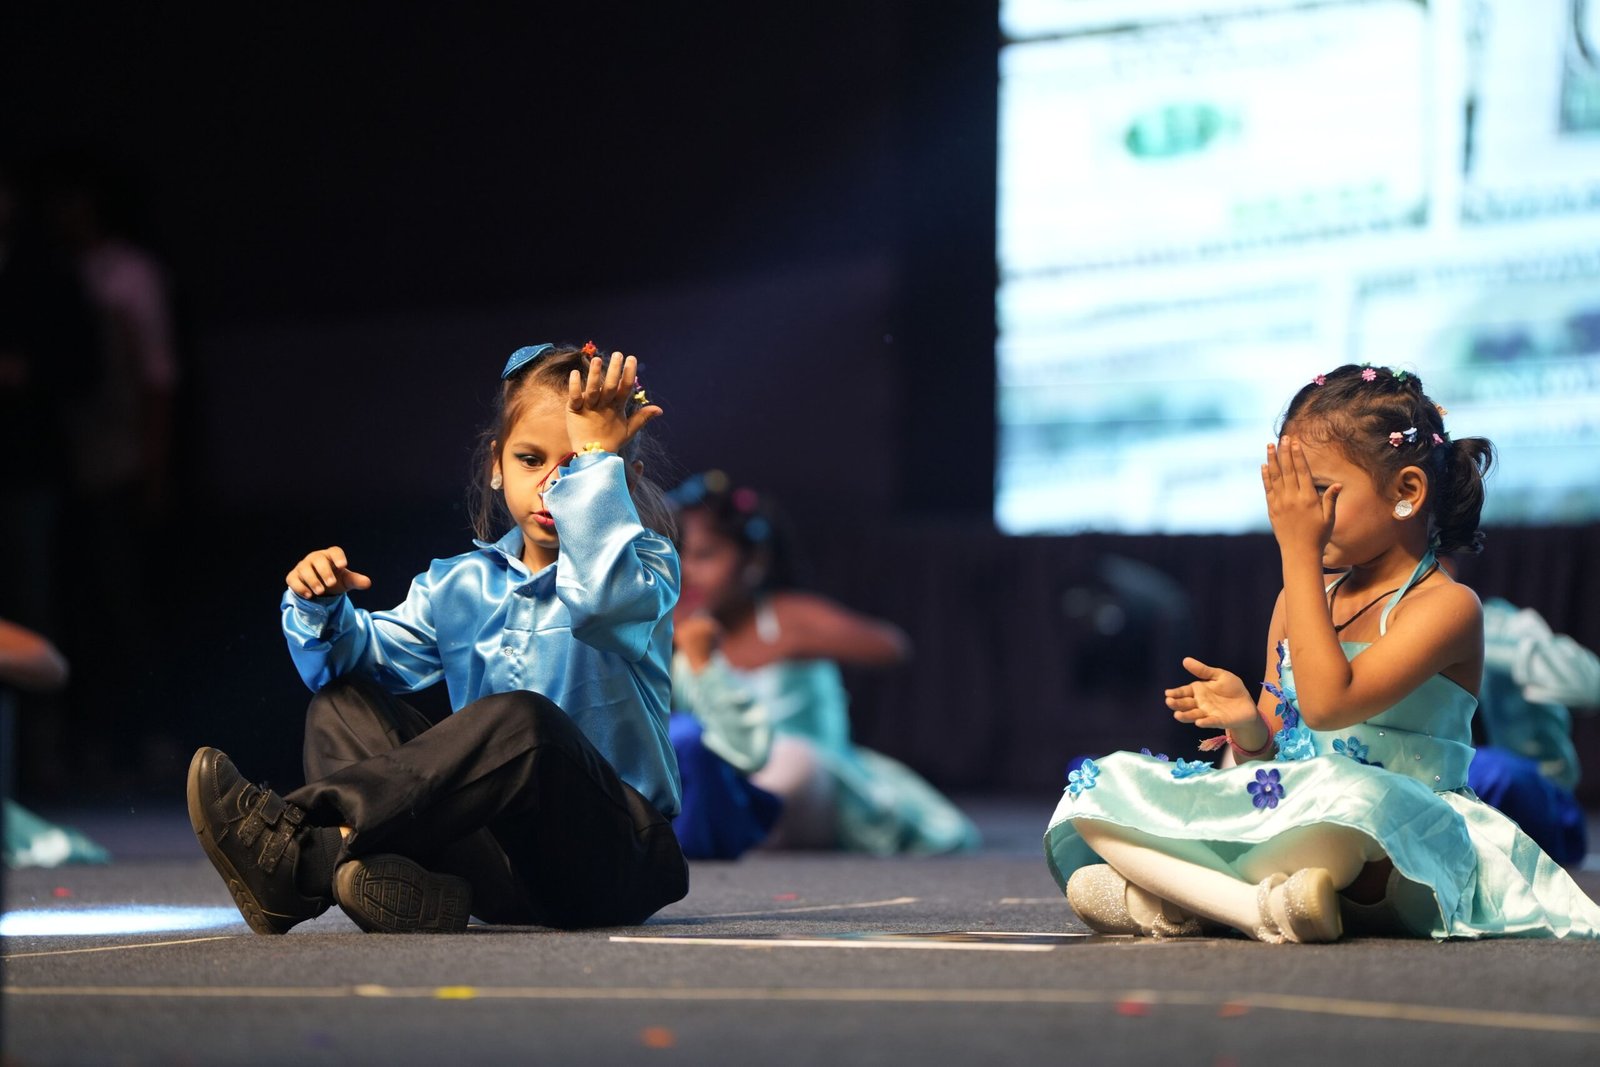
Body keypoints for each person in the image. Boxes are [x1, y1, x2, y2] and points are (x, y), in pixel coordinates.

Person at [1045, 363, 1600, 942]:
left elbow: (1330, 705)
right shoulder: (1299, 600)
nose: (1296, 513)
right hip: (1295, 823)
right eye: (1289, 494)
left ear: (1406, 493)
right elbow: (1267, 762)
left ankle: (1188, 899)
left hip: (1397, 848)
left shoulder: (1447, 606)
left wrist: (1297, 552)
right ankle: (1262, 905)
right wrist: (1247, 727)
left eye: (1316, 492)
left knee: (1356, 800)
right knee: (1102, 788)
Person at [186, 342, 689, 934]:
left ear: (617, 480)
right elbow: (346, 663)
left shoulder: (645, 566)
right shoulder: (458, 583)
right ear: (496, 465)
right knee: (341, 704)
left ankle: (305, 856)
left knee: (527, 724)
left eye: (576, 465)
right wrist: (320, 604)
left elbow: (603, 604)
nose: (552, 486)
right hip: (501, 870)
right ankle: (415, 885)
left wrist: (599, 458)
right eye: (531, 460)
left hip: (610, 861)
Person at [668, 472, 979, 855]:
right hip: (725, 772)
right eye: (678, 554)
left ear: (752, 560)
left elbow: (892, 647)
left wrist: (793, 643)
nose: (688, 570)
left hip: (806, 772)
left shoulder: (786, 618)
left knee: (793, 760)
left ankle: (739, 823)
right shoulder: (677, 627)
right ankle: (718, 821)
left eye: (705, 555)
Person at [1462, 590, 1600, 866]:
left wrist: (1463, 643)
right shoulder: (1385, 623)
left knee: (1496, 771)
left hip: (1540, 801)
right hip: (1446, 787)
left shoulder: (1501, 624)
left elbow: (1591, 685)